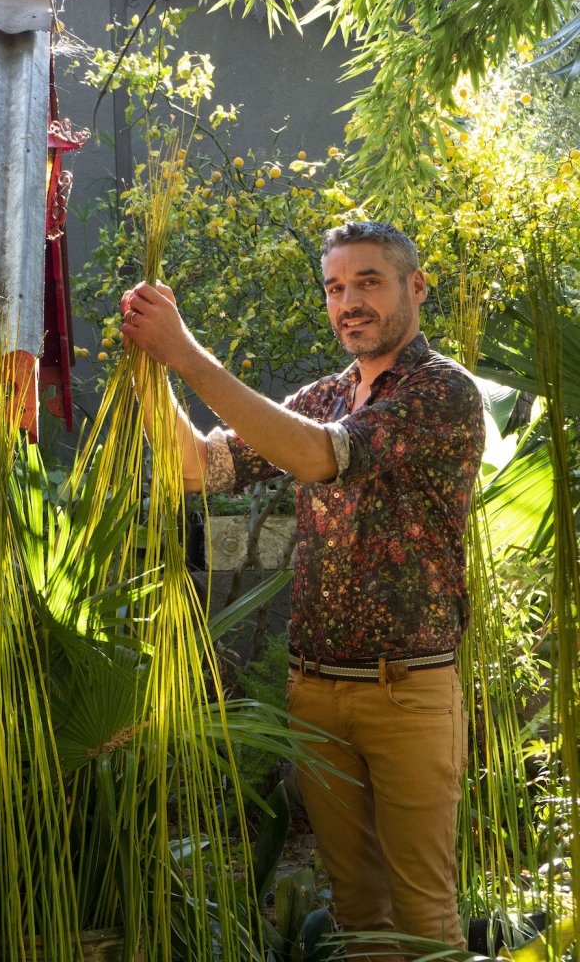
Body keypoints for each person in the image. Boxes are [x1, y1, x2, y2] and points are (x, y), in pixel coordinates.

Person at [120, 220, 485, 949]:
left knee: (423, 913)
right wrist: (150, 368)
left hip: (408, 689)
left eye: (368, 282)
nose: (349, 302)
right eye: (335, 288)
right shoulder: (325, 397)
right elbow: (197, 468)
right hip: (315, 688)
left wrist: (185, 353)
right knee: (356, 910)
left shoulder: (442, 391)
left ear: (415, 287)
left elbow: (324, 459)